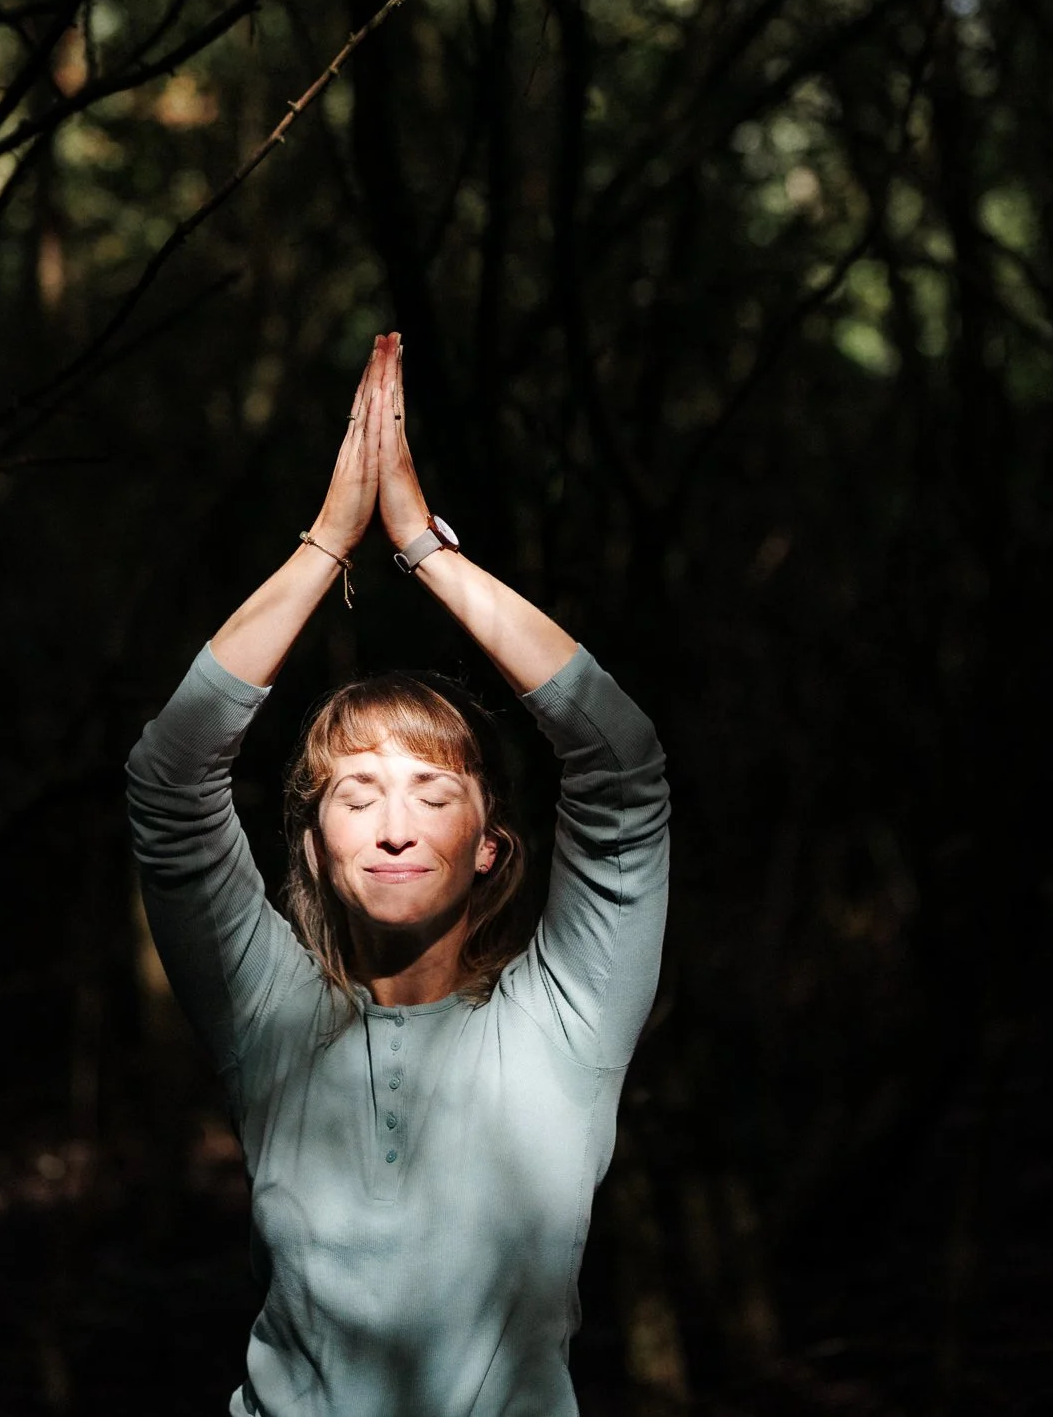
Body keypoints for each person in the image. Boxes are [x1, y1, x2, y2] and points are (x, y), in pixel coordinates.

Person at [126, 332, 671, 1417]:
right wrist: (328, 543)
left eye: (431, 792)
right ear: (318, 851)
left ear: (489, 846)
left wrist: (422, 548)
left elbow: (622, 775)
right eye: (355, 793)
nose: (390, 825)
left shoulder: (566, 1025)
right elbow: (170, 783)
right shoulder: (269, 1022)